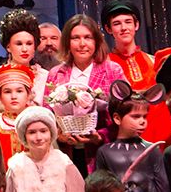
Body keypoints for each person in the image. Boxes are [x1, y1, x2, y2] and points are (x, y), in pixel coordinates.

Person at [42, 13, 120, 169]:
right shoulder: (56, 73)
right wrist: (59, 135)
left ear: (96, 41)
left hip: (103, 155)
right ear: (67, 42)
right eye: (75, 38)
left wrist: (101, 136)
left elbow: (124, 113)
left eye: (88, 37)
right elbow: (46, 114)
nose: (82, 44)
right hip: (67, 155)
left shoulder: (112, 70)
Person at [101, 0, 171, 144]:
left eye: (128, 22)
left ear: (136, 25)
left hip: (163, 135)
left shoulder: (154, 61)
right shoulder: (106, 66)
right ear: (108, 29)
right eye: (117, 23)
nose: (124, 28)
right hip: (127, 140)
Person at [0, 10, 45, 113]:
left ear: (35, 46)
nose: (24, 49)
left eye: (29, 43)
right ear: (8, 47)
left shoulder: (46, 78)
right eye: (19, 44)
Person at [0, 63, 38, 162]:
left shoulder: (38, 123)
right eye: (7, 92)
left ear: (28, 94)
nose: (14, 96)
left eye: (19, 91)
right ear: (0, 96)